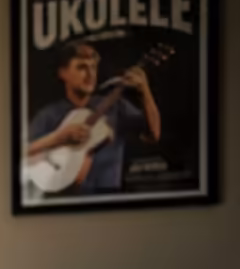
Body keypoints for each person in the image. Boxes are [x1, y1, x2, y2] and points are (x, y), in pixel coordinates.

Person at [27, 40, 161, 194]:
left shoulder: (116, 106)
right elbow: (23, 153)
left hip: (110, 198)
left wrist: (144, 91)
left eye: (93, 67)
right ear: (62, 72)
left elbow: (154, 134)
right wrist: (58, 137)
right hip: (65, 202)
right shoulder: (49, 114)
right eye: (82, 67)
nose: (90, 74)